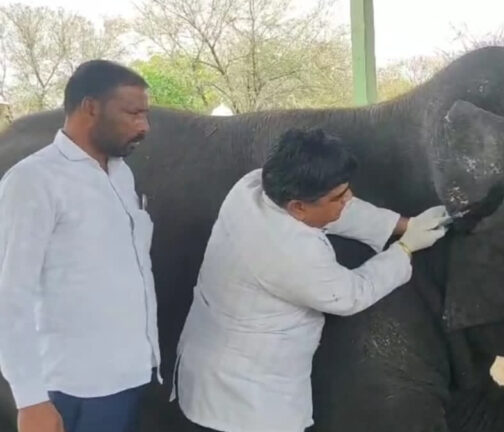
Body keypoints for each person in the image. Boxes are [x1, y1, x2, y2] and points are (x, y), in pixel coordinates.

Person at [173, 128, 449, 432]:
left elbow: (333, 209)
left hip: (211, 363)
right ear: (298, 207)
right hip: (246, 400)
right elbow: (349, 295)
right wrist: (405, 248)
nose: (349, 199)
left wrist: (404, 224)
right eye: (339, 197)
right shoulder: (287, 252)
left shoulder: (254, 186)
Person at [0, 60, 156, 432]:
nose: (144, 127)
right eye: (133, 113)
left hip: (128, 375)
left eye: (145, 115)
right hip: (73, 388)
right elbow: (9, 295)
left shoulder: (120, 173)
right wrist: (31, 400)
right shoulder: (34, 181)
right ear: (91, 107)